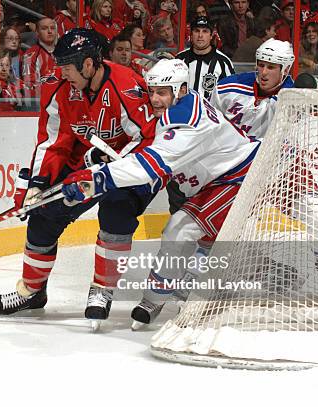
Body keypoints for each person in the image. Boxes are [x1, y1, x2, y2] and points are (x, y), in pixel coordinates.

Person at [59, 59, 260, 329]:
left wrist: (98, 179)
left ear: (180, 90)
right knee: (191, 237)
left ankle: (158, 298)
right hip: (218, 180)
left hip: (236, 177)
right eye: (151, 91)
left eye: (162, 92)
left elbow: (152, 165)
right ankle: (173, 292)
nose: (154, 99)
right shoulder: (186, 104)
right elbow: (150, 147)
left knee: (180, 229)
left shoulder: (185, 120)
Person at [0, 29, 157, 329]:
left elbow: (147, 137)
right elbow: (53, 141)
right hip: (85, 160)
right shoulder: (59, 86)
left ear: (89, 64)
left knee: (115, 211)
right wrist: (38, 184)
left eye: (68, 66)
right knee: (43, 214)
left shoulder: (126, 84)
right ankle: (32, 291)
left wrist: (106, 168)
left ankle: (102, 289)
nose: (62, 73)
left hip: (132, 164)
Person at [212, 39, 295, 141]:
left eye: (271, 67)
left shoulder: (292, 101)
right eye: (261, 65)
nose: (264, 72)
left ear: (285, 70)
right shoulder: (229, 87)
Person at [176, 17, 234, 100]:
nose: (200, 35)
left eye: (205, 31)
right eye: (196, 31)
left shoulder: (223, 62)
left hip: (212, 112)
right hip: (184, 111)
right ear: (191, 35)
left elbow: (231, 95)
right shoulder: (180, 59)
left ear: (211, 35)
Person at [21, 17, 57, 110]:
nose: (50, 31)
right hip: (42, 107)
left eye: (52, 28)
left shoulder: (66, 53)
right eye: (44, 28)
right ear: (37, 32)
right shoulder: (30, 55)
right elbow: (30, 87)